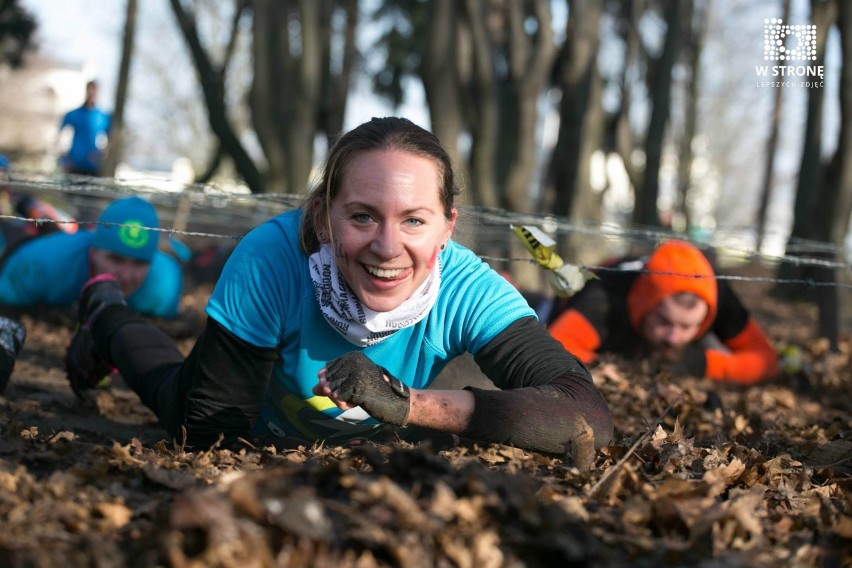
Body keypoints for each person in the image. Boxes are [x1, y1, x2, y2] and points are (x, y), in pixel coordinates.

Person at [64, 117, 613, 461]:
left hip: (346, 432)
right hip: (247, 415)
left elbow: (587, 415)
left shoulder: (469, 288)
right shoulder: (271, 257)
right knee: (175, 401)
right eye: (363, 216)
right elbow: (215, 439)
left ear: (449, 227)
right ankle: (107, 312)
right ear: (323, 218)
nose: (388, 246)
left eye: (415, 221)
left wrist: (408, 404)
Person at [0, 196, 183, 393]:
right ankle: (30, 204)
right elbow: (6, 303)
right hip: (30, 249)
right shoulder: (39, 266)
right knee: (40, 224)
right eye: (115, 259)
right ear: (94, 251)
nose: (126, 275)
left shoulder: (164, 283)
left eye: (139, 263)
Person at [546, 240, 781, 385]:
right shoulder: (605, 296)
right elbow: (553, 349)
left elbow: (766, 361)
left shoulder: (718, 293)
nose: (673, 337)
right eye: (664, 321)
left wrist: (703, 364)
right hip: (557, 308)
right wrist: (620, 370)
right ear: (645, 304)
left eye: (687, 326)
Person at [58, 80, 111, 176]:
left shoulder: (103, 117)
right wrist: (64, 158)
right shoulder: (73, 114)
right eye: (89, 92)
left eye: (94, 92)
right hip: (73, 166)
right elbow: (59, 135)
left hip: (93, 168)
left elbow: (109, 141)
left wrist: (100, 155)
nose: (91, 95)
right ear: (86, 92)